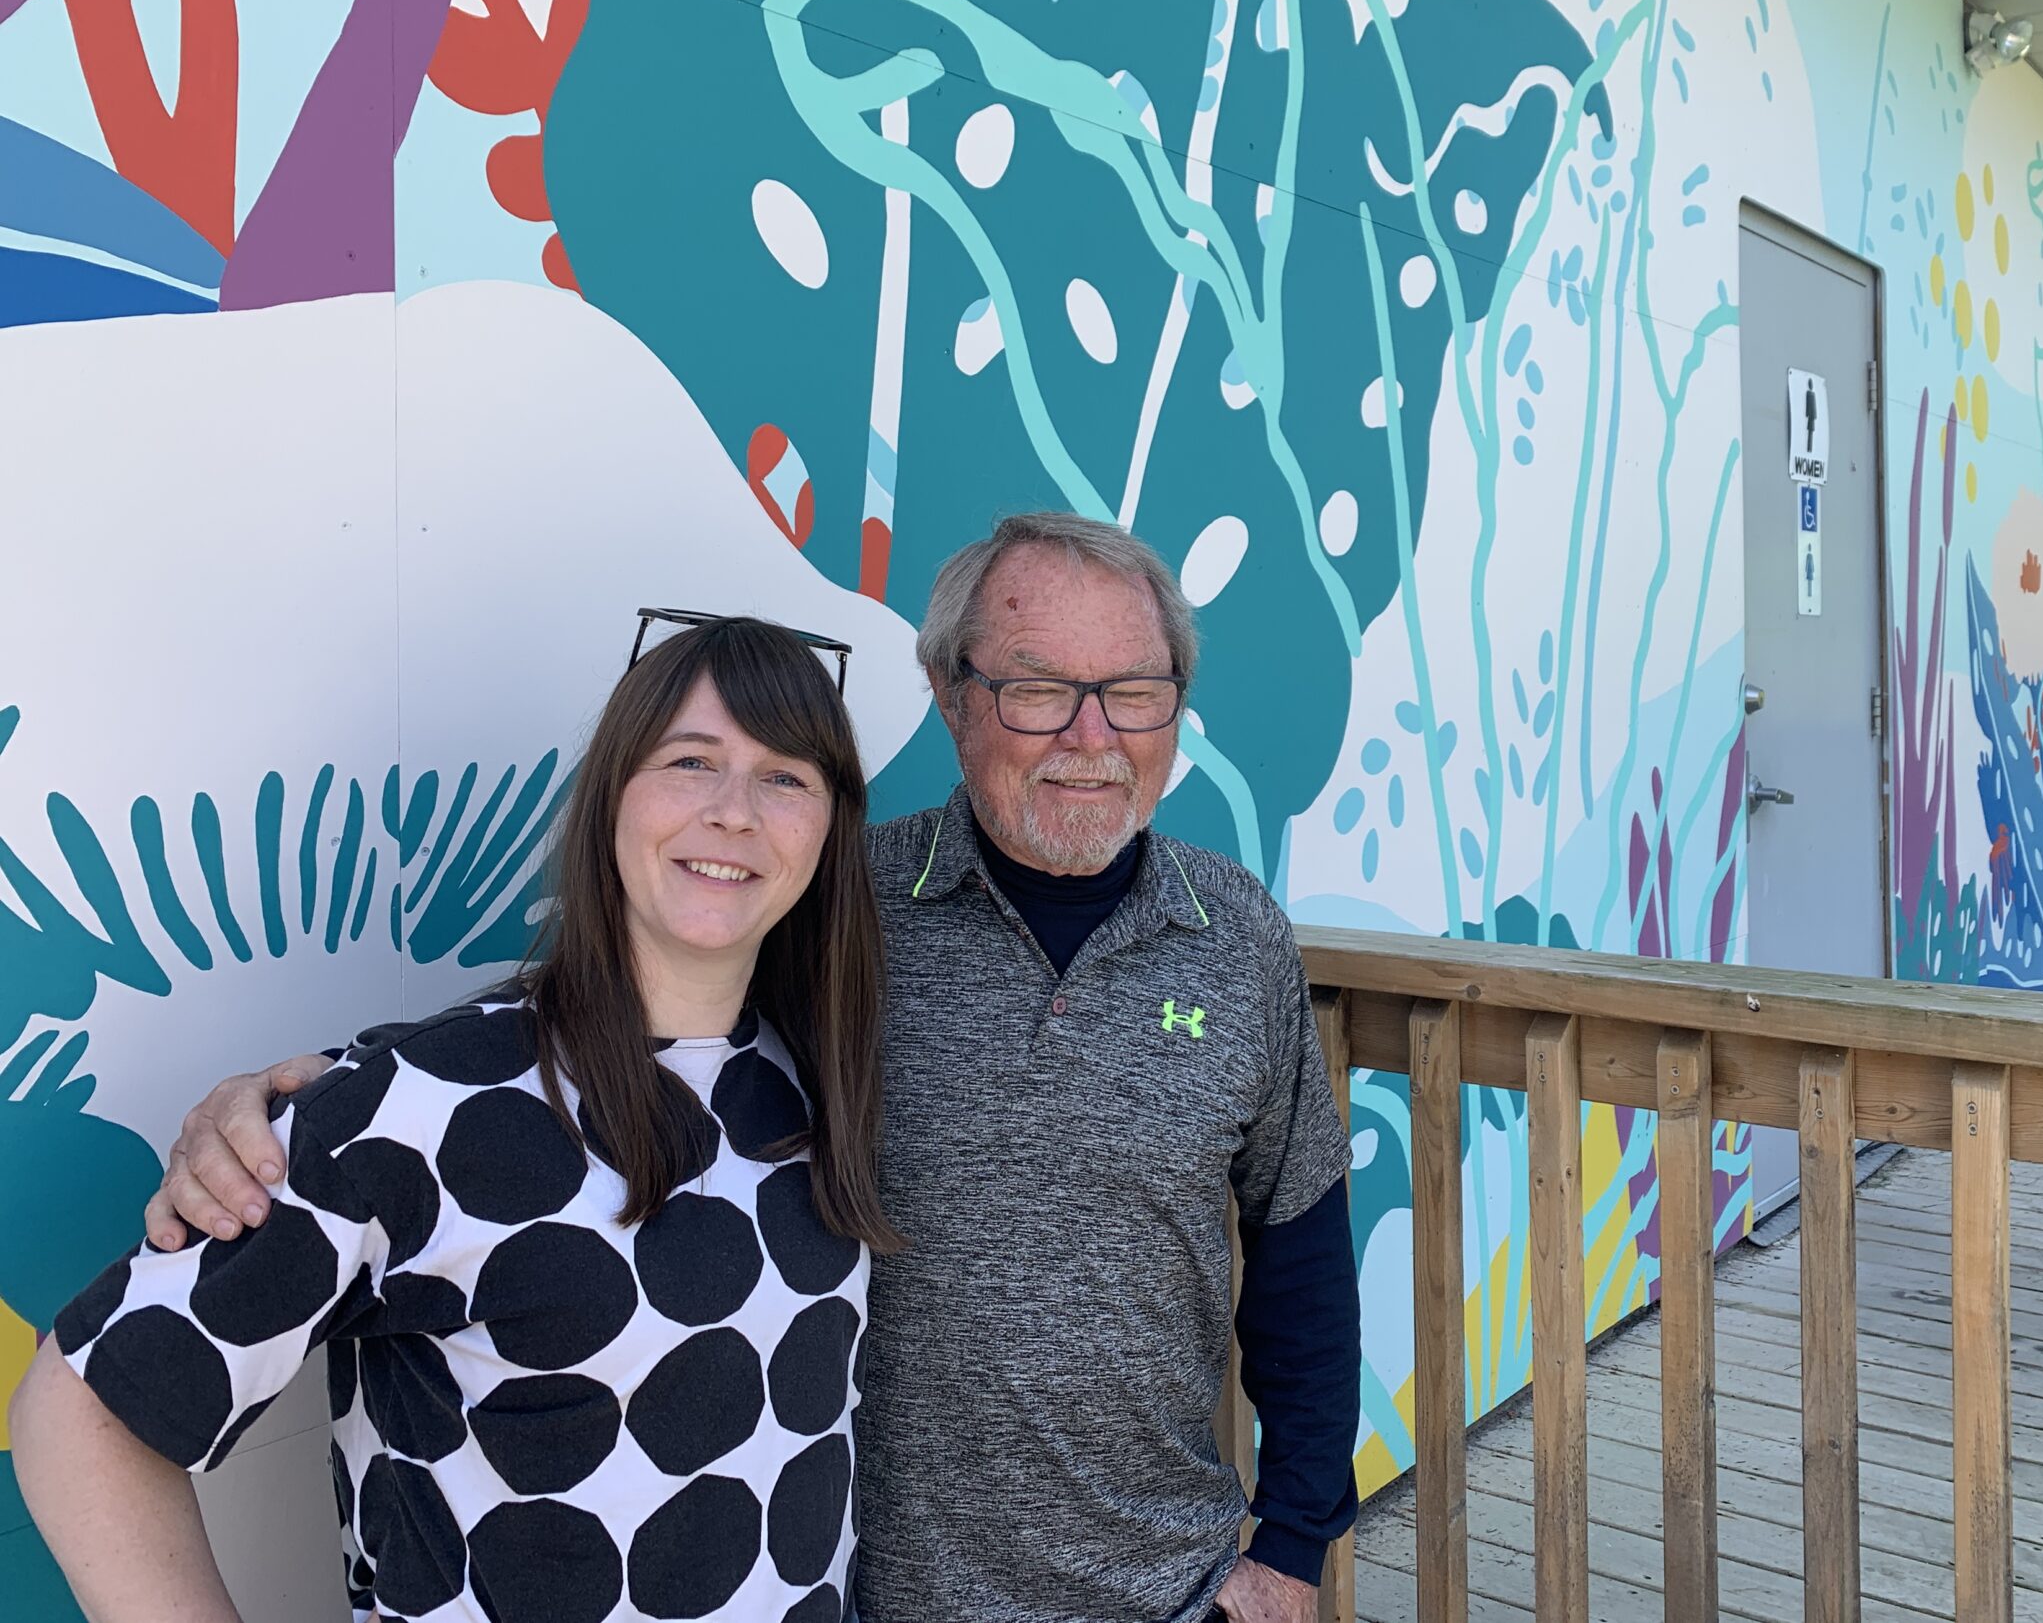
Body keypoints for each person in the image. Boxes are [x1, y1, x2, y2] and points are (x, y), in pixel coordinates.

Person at [135, 513, 1362, 1623]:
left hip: (1171, 1587)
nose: (1092, 737)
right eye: (1038, 689)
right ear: (949, 693)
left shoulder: (1237, 935)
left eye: (1136, 693)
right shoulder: (832, 915)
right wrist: (276, 1110)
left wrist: (1294, 1547)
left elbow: (1300, 1254)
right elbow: (613, 1006)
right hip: (879, 1594)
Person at [11, 616, 895, 1623]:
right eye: (692, 761)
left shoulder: (812, 1073)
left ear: (829, 831)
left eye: (786, 777)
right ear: (611, 795)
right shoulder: (425, 1105)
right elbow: (83, 1410)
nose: (735, 811)